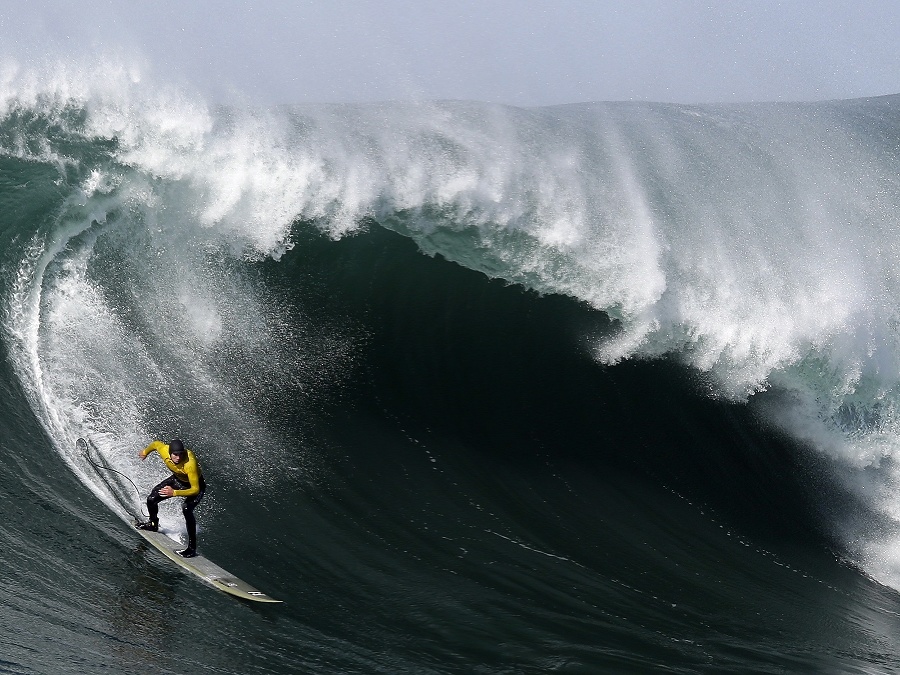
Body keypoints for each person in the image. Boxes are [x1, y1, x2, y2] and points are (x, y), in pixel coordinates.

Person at [135, 438, 205, 558]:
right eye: (175, 455)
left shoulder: (190, 464)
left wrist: (174, 493)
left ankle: (192, 549)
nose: (178, 458)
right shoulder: (164, 450)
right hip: (177, 480)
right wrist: (145, 452)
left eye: (181, 454)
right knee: (151, 499)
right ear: (170, 453)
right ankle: (153, 524)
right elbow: (156, 444)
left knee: (187, 510)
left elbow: (195, 489)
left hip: (195, 485)